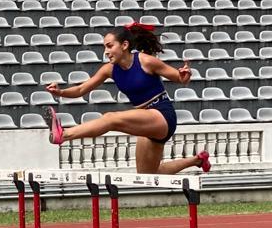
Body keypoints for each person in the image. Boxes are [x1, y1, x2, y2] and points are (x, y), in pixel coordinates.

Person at [43, 24, 211, 176]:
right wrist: (60, 92)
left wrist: (185, 74)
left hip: (162, 115)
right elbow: (81, 89)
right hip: (144, 119)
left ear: (124, 45)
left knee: (110, 118)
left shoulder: (145, 61)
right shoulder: (109, 70)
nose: (106, 51)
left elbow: (180, 79)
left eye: (109, 46)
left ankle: (63, 134)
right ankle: (197, 160)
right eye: (104, 47)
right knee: (147, 174)